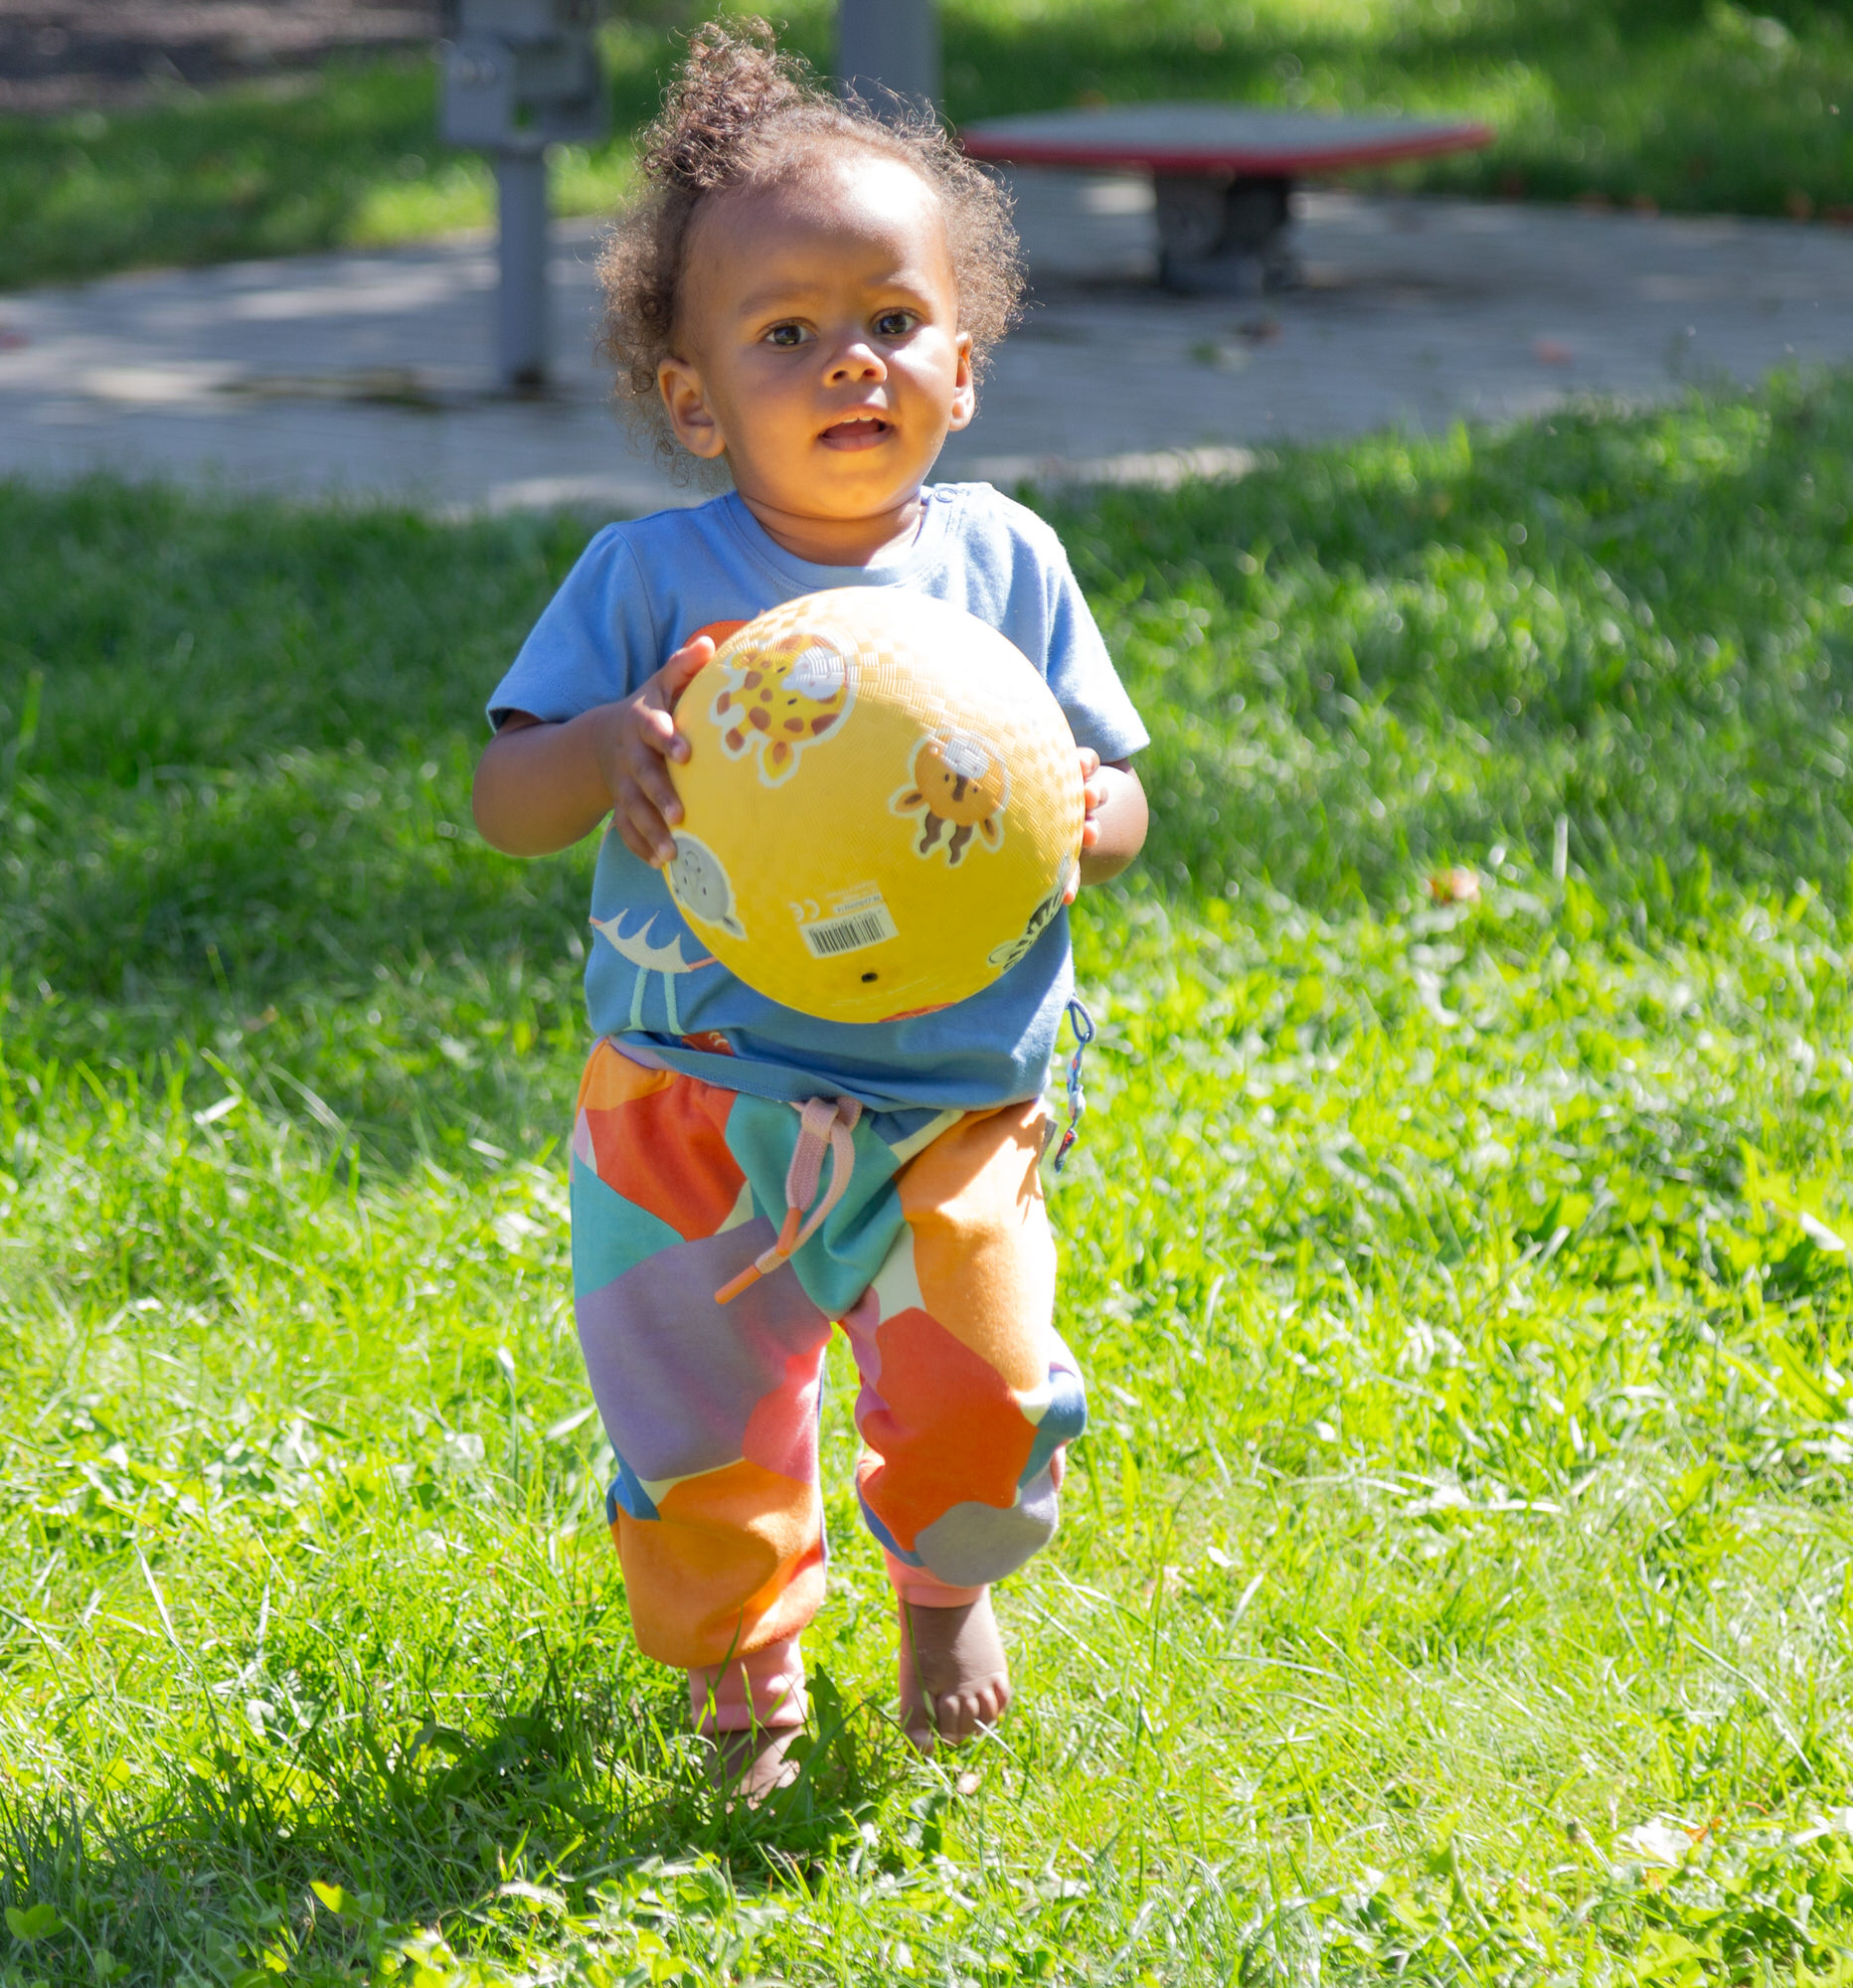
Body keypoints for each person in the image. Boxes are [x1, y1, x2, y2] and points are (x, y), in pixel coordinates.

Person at [471, 19, 1149, 1797]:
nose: (853, 361)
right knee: (694, 1423)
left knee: (991, 1390)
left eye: (893, 322)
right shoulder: (648, 578)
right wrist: (612, 744)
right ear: (695, 399)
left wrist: (1094, 809)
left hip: (956, 1099)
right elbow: (502, 797)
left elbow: (1118, 794)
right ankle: (747, 1662)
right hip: (692, 1098)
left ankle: (942, 1596)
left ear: (966, 362)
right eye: (788, 335)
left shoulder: (1010, 565)